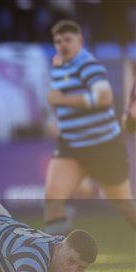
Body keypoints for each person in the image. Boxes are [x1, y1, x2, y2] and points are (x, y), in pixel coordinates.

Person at [44, 20, 135, 236]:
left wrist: (63, 101)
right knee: (53, 198)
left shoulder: (87, 64)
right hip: (71, 145)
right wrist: (57, 120)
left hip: (103, 145)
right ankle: (58, 262)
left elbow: (104, 98)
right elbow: (58, 100)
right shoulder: (59, 66)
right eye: (58, 41)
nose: (63, 45)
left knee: (124, 205)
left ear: (80, 41)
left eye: (68, 40)